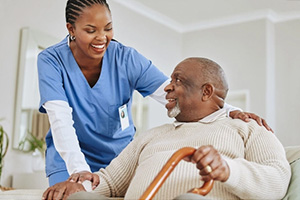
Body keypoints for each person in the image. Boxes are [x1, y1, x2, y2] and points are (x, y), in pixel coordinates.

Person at [38, 0, 272, 187]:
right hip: (70, 157)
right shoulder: (51, 61)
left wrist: (233, 111)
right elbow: (60, 120)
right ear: (71, 29)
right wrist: (79, 169)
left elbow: (173, 94)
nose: (102, 38)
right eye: (91, 30)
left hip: (119, 159)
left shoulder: (126, 59)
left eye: (108, 28)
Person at [42, 57, 290, 200]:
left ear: (206, 92)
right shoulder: (152, 135)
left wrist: (228, 170)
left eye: (178, 81)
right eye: (170, 80)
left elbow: (278, 179)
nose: (167, 88)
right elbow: (109, 182)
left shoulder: (247, 128)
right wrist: (79, 187)